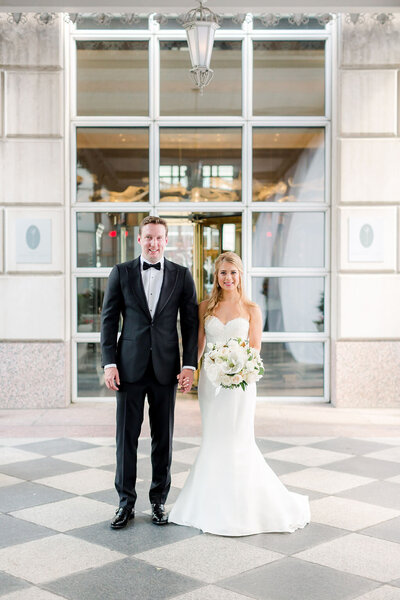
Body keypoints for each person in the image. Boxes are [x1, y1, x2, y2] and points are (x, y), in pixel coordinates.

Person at [169, 251, 310, 536]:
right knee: (215, 438)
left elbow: (255, 349)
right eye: (223, 273)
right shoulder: (204, 307)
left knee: (239, 439)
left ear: (240, 275)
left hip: (241, 386)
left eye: (233, 273)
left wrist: (239, 369)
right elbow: (197, 346)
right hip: (212, 385)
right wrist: (190, 372)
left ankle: (245, 507)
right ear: (216, 276)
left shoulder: (251, 309)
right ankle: (210, 505)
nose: (228, 278)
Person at [101, 216, 198, 530]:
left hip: (165, 369)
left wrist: (188, 365)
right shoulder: (121, 272)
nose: (154, 243)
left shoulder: (182, 276)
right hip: (128, 367)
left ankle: (158, 501)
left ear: (166, 240)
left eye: (159, 238)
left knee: (163, 439)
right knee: (126, 438)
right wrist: (109, 362)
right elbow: (108, 320)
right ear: (139, 240)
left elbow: (191, 324)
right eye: (149, 237)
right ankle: (125, 504)